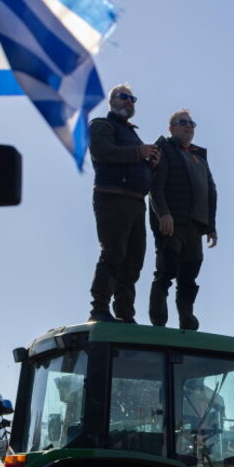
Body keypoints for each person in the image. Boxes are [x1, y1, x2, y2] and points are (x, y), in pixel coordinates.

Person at [87, 84, 161, 323]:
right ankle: (99, 309)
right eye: (124, 97)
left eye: (133, 99)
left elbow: (133, 160)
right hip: (112, 196)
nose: (129, 102)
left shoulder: (132, 133)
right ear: (111, 101)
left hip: (136, 201)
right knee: (113, 254)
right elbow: (102, 152)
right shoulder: (101, 125)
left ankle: (125, 314)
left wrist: (151, 164)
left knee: (133, 261)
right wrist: (139, 153)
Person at [148, 109, 217, 329]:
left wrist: (211, 226)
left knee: (189, 276)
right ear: (171, 128)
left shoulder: (198, 155)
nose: (188, 126)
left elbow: (211, 191)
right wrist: (163, 214)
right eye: (183, 123)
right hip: (172, 223)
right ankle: (159, 320)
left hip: (195, 226)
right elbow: (155, 186)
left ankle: (186, 317)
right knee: (166, 271)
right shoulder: (164, 149)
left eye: (192, 123)